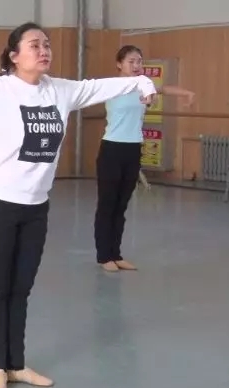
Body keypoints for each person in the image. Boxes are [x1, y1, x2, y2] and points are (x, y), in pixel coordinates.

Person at [0, 21, 157, 388]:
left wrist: (143, 83)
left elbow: (105, 86)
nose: (44, 50)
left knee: (21, 288)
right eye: (34, 45)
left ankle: (17, 363)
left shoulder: (61, 91)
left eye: (47, 44)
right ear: (14, 56)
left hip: (36, 207)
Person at [94, 45, 196, 272]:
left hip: (133, 149)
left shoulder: (143, 85)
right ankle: (104, 256)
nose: (136, 65)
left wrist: (187, 94)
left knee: (121, 205)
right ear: (119, 64)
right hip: (112, 149)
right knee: (107, 204)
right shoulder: (110, 86)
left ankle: (116, 253)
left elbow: (165, 89)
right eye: (131, 61)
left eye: (139, 61)